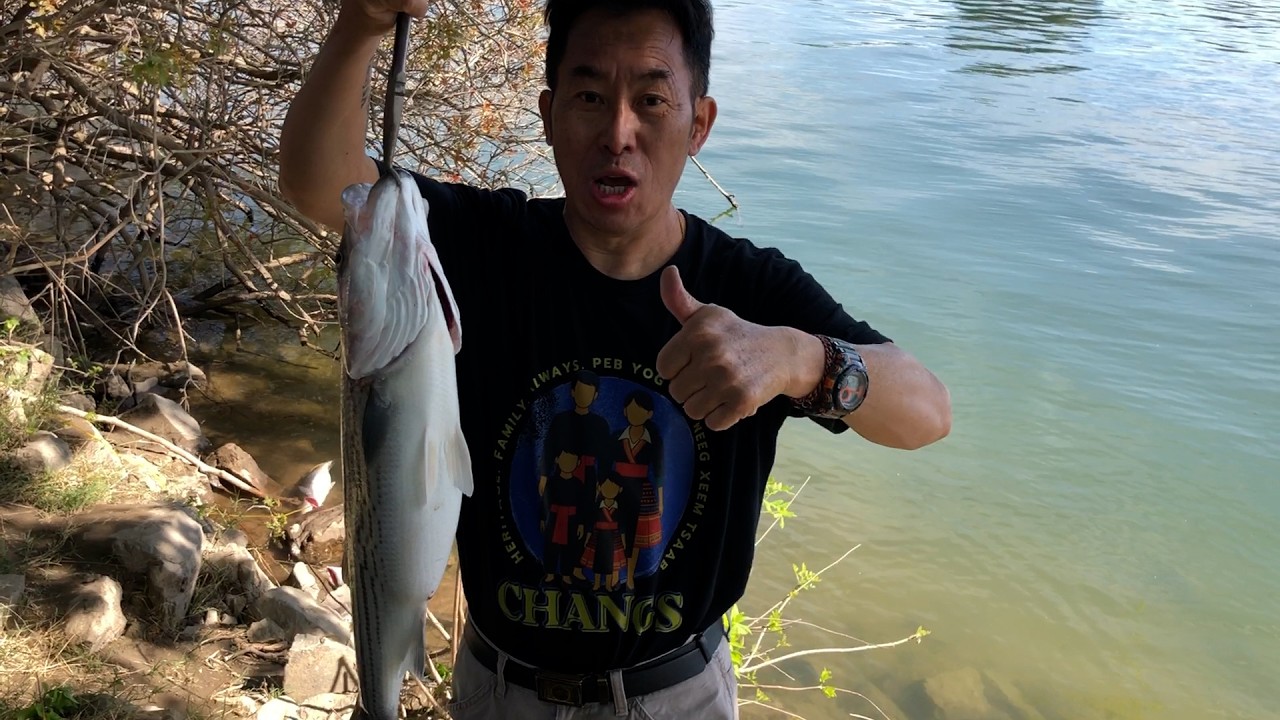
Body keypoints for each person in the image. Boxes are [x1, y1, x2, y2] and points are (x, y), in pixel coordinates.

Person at [279, 0, 952, 717]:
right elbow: (321, 183)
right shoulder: (483, 244)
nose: (618, 133)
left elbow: (927, 413)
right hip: (498, 688)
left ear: (699, 125)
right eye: (591, 97)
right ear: (548, 112)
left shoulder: (751, 290)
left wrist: (799, 359)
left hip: (676, 693)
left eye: (652, 100)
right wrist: (362, 23)